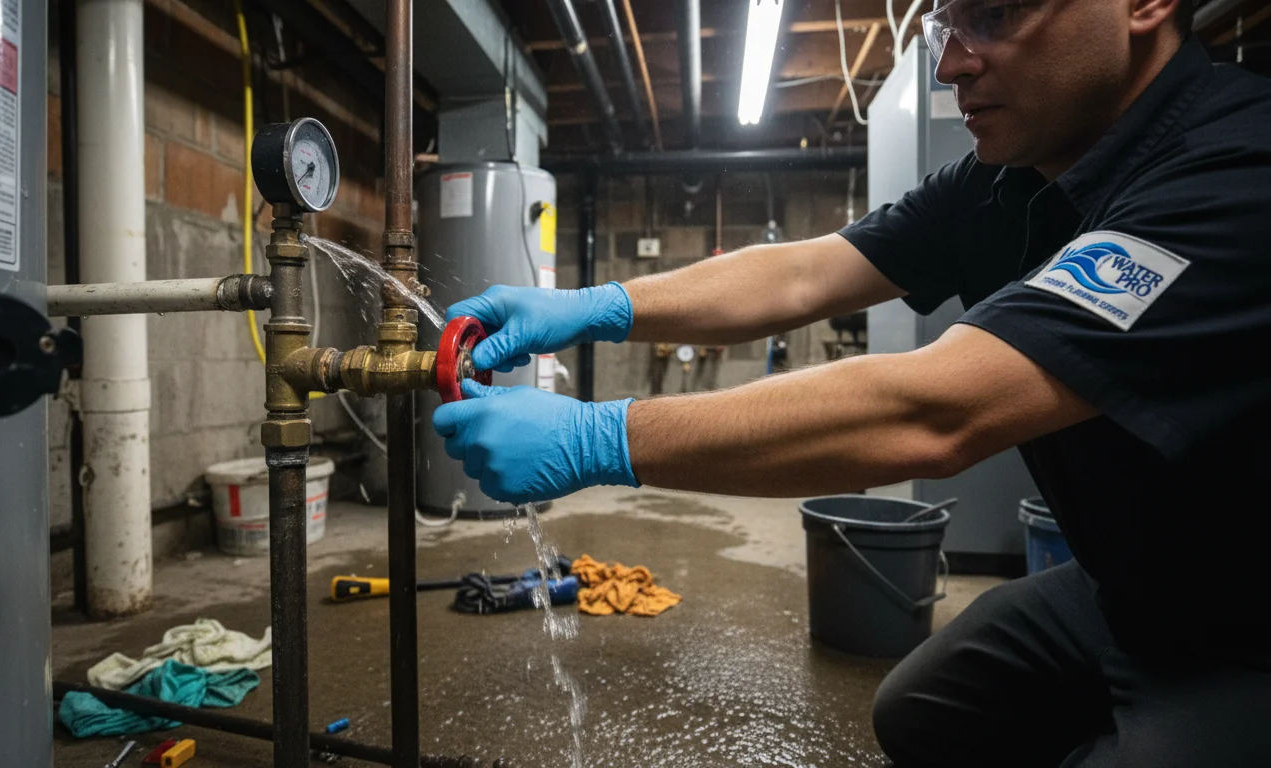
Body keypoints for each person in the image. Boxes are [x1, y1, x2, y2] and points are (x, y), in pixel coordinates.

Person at [434, 0, 1271, 764]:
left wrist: (600, 438)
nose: (951, 64)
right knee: (924, 709)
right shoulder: (1009, 178)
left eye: (997, 15)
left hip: (1240, 629)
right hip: (1129, 583)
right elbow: (804, 274)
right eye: (949, 25)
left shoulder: (1235, 174)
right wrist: (588, 306)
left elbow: (937, 412)